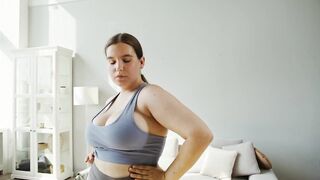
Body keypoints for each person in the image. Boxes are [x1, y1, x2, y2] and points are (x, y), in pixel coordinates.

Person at [85, 33, 213, 180]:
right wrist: (98, 152)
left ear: (141, 62)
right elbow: (112, 141)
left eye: (126, 60)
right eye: (112, 62)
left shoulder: (149, 95)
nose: (118, 67)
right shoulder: (110, 100)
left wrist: (166, 177)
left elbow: (201, 135)